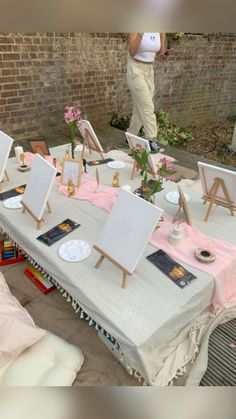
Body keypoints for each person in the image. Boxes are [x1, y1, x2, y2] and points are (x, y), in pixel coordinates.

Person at [126, 32, 167, 151]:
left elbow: (160, 53)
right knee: (147, 107)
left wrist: (163, 53)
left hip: (150, 71)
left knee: (141, 107)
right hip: (136, 70)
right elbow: (132, 52)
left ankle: (131, 135)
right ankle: (151, 139)